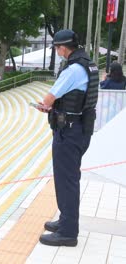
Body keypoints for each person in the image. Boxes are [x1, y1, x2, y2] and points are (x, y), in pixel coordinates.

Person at [35, 29, 98, 247]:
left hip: (68, 132)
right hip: (80, 129)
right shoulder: (89, 65)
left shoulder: (72, 70)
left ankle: (68, 232)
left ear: (63, 47)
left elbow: (48, 98)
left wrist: (45, 106)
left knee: (66, 181)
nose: (57, 52)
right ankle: (65, 220)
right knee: (69, 179)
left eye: (57, 48)